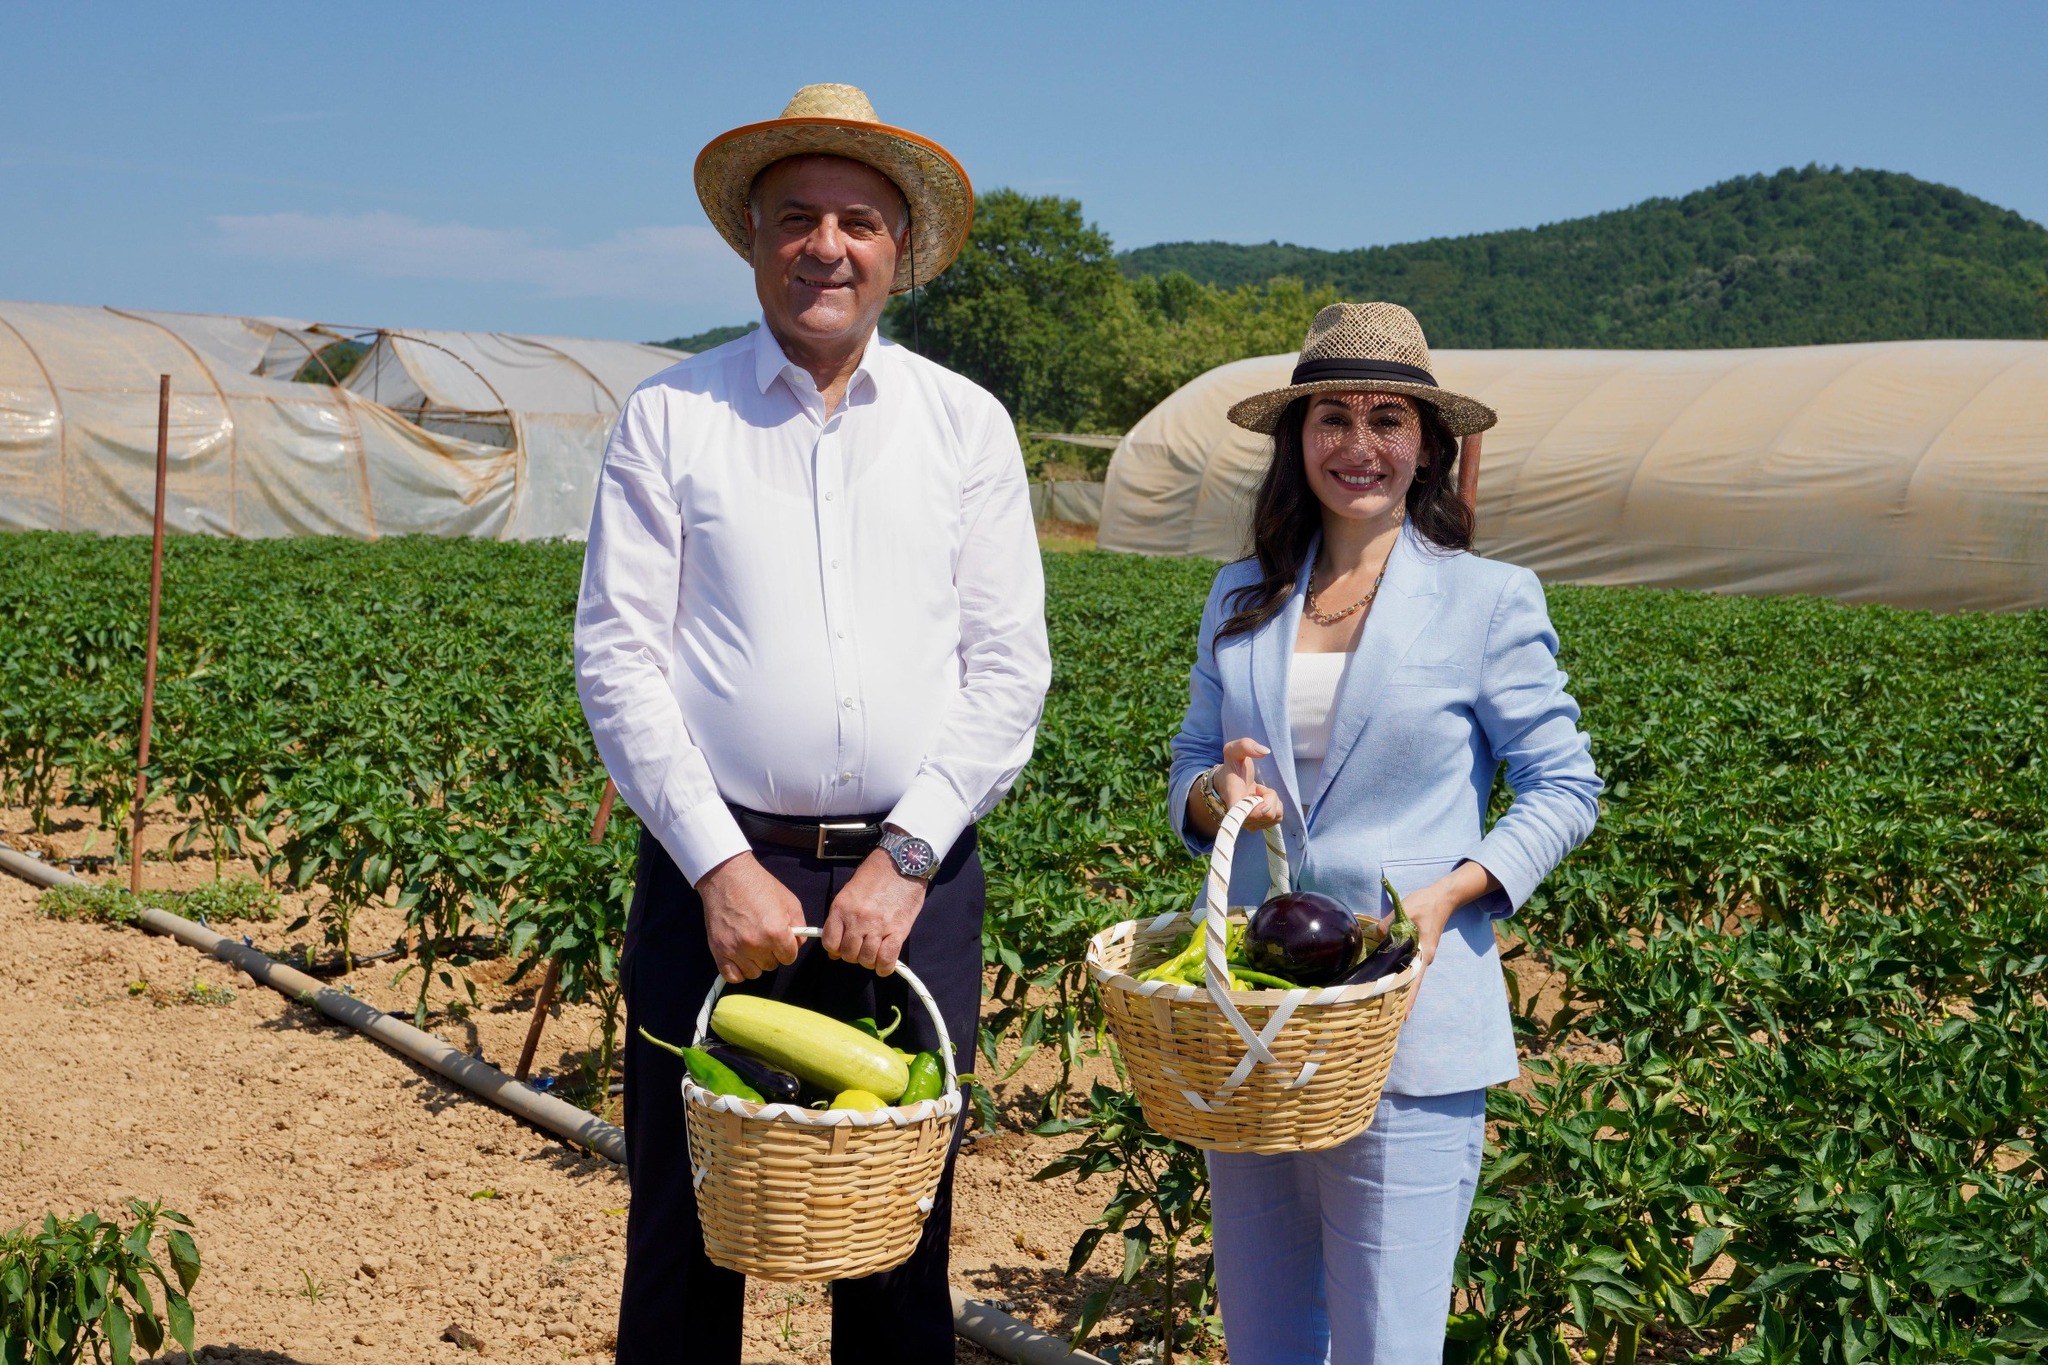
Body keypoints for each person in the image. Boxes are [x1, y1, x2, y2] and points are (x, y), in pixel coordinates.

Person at [574, 84, 1051, 1365]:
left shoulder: (965, 427)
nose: (823, 247)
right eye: (795, 218)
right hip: (714, 875)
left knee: (897, 1236)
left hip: (914, 880)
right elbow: (618, 660)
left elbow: (1008, 669)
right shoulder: (672, 419)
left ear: (901, 249)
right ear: (751, 239)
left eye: (855, 221)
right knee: (684, 1231)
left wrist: (904, 860)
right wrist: (717, 865)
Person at [1167, 302, 1601, 1363]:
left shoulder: (1485, 600)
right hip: (1259, 1016)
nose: (1356, 446)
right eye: (1330, 418)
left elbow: (1562, 786)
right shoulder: (1241, 597)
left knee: (1384, 1341)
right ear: (1295, 440)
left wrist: (1453, 891)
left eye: (1386, 420)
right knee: (1266, 1335)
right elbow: (1186, 770)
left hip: (1407, 1018)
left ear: (1426, 447)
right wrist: (1217, 798)